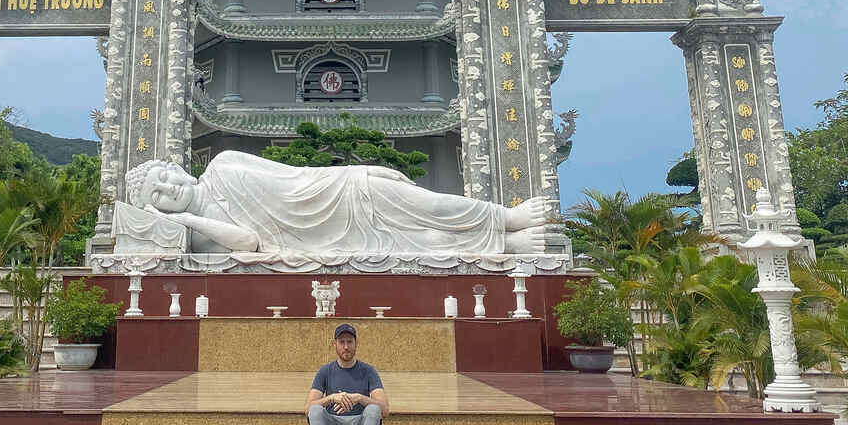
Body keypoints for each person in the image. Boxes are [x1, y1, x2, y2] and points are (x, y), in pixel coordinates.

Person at [124, 151, 558, 256]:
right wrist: (185, 218)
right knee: (412, 243)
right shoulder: (201, 236)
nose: (168, 189)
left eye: (164, 177)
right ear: (157, 211)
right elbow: (250, 242)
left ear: (177, 167)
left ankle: (505, 217)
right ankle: (506, 246)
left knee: (426, 205)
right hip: (313, 239)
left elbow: (291, 174)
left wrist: (354, 173)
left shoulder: (222, 164)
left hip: (337, 192)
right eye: (157, 196)